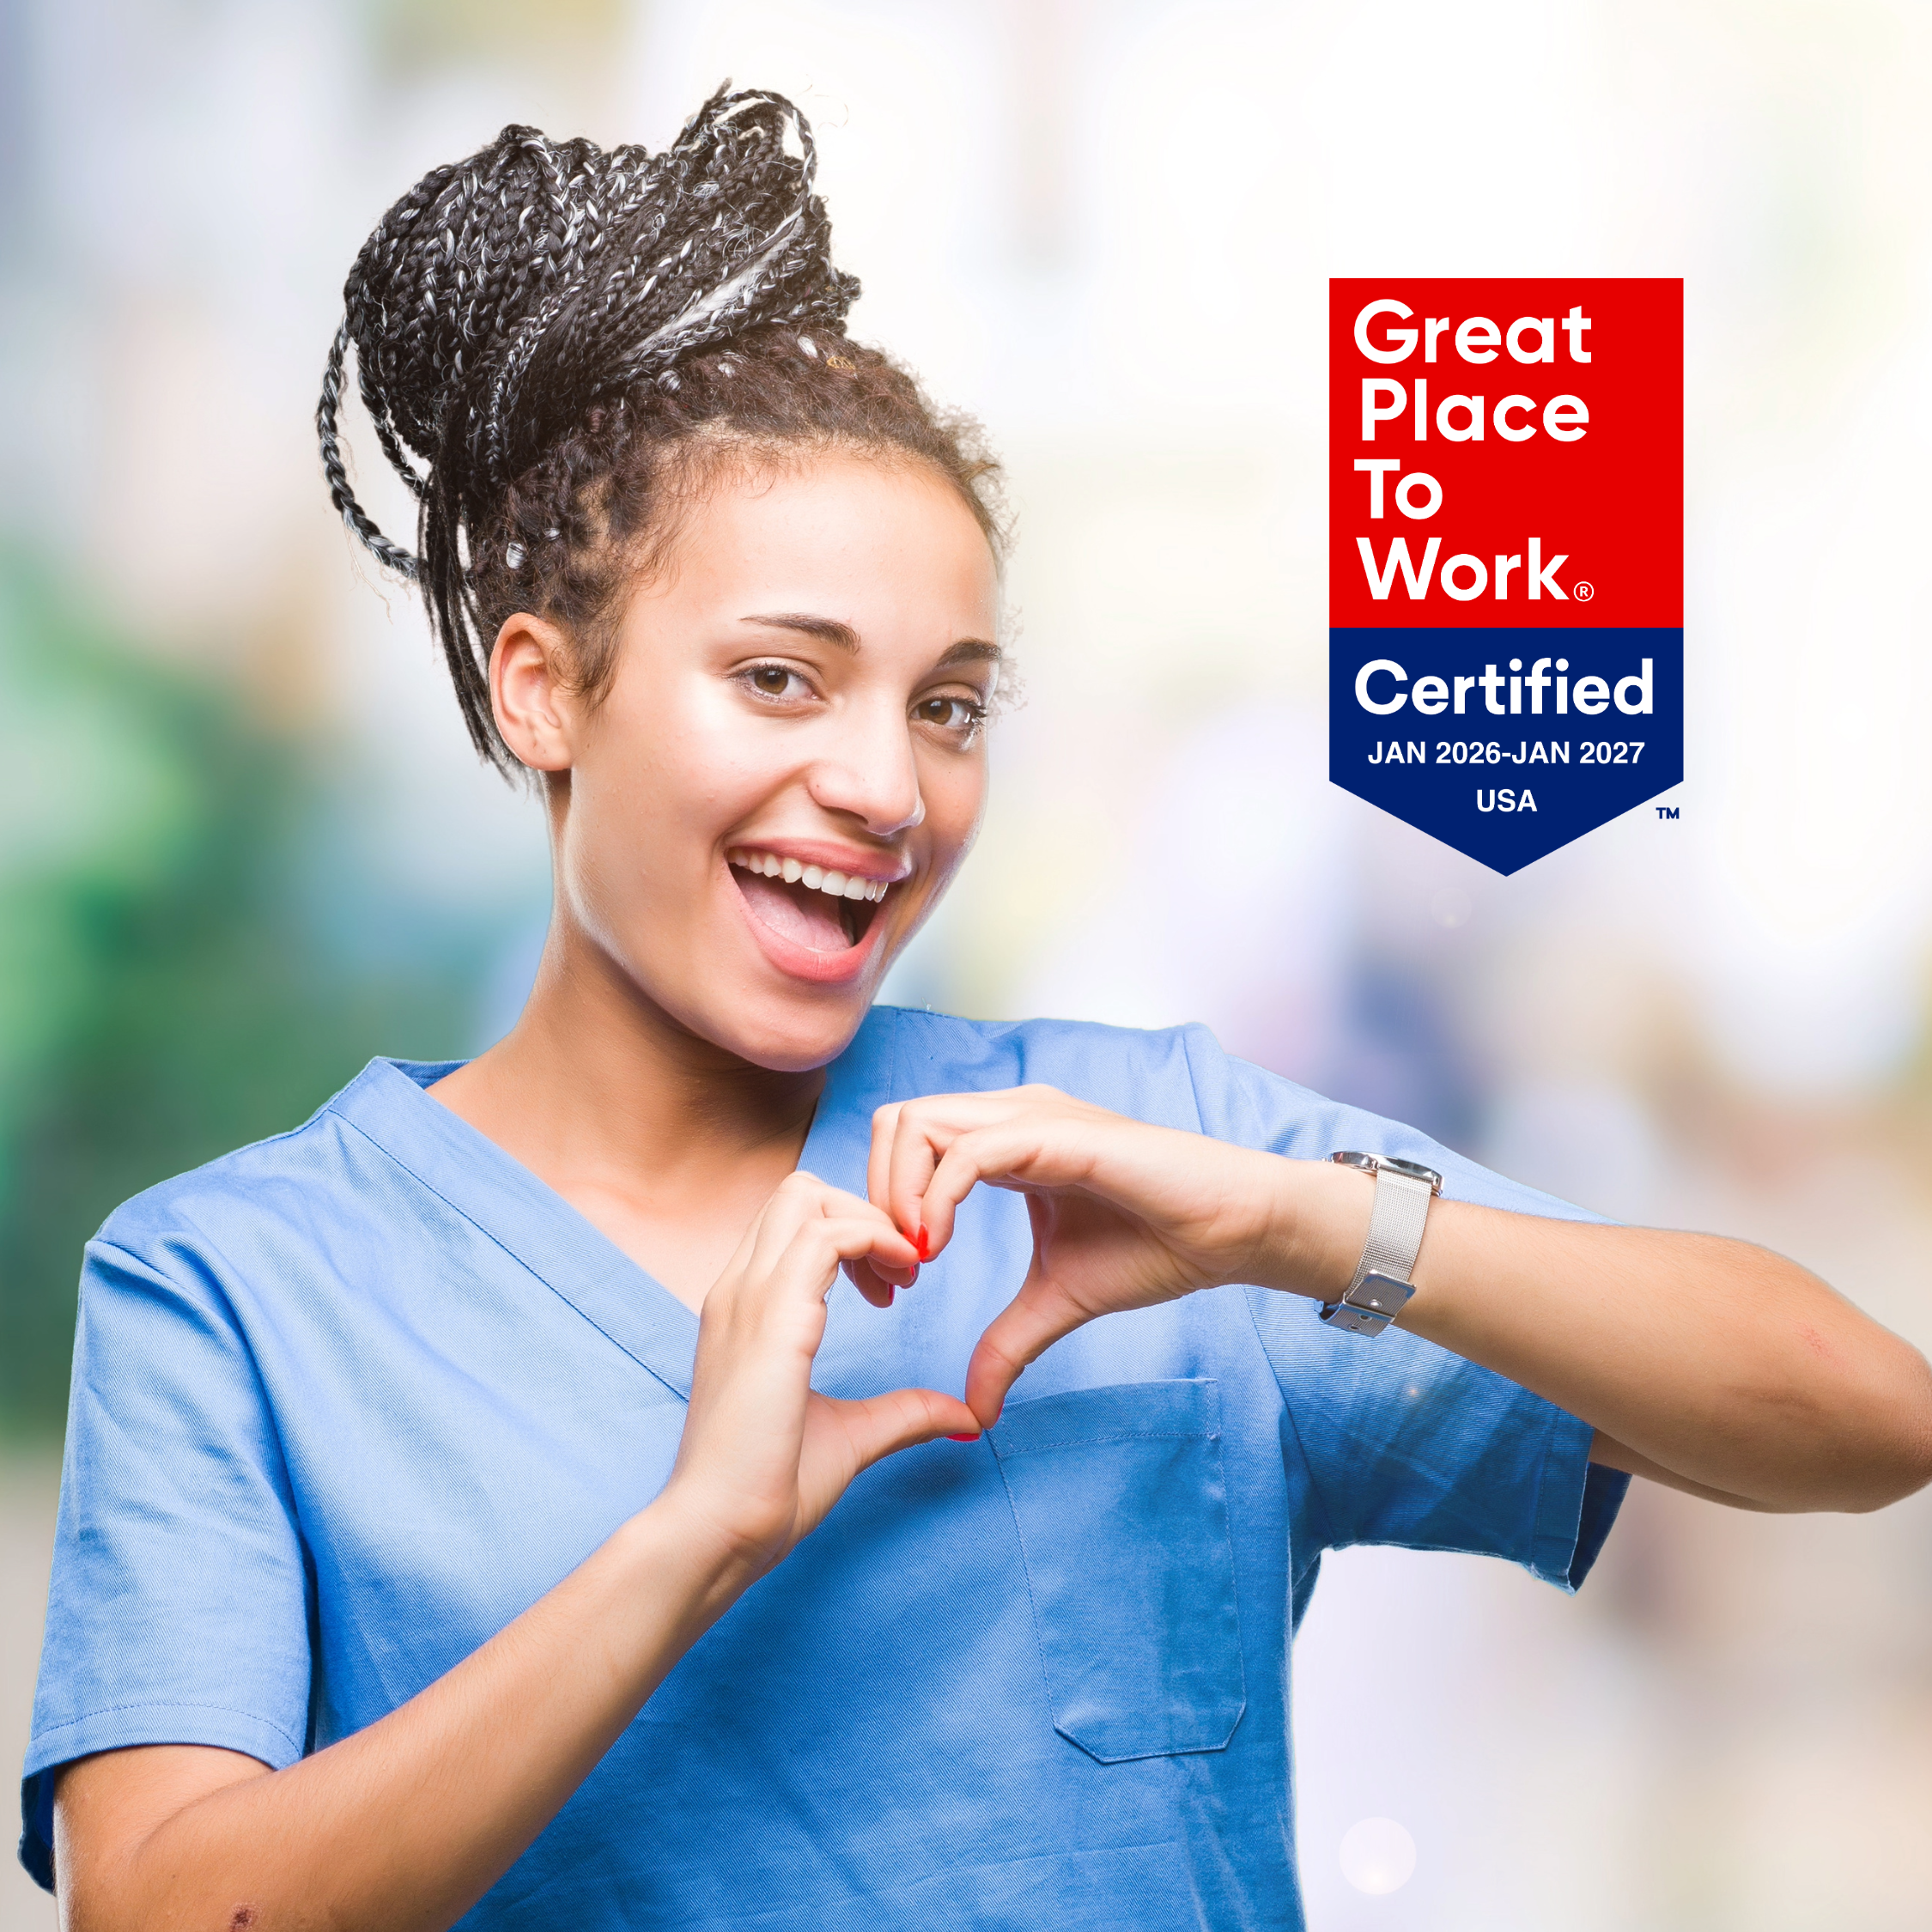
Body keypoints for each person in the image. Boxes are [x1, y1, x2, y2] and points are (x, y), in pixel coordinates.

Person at [21, 87, 1932, 1932]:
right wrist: (692, 1543)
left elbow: (1862, 1418)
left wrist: (1297, 1221)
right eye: (782, 679)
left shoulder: (1156, 1172)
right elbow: (173, 1911)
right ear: (544, 691)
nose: (888, 784)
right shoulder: (235, 1291)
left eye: (947, 704)